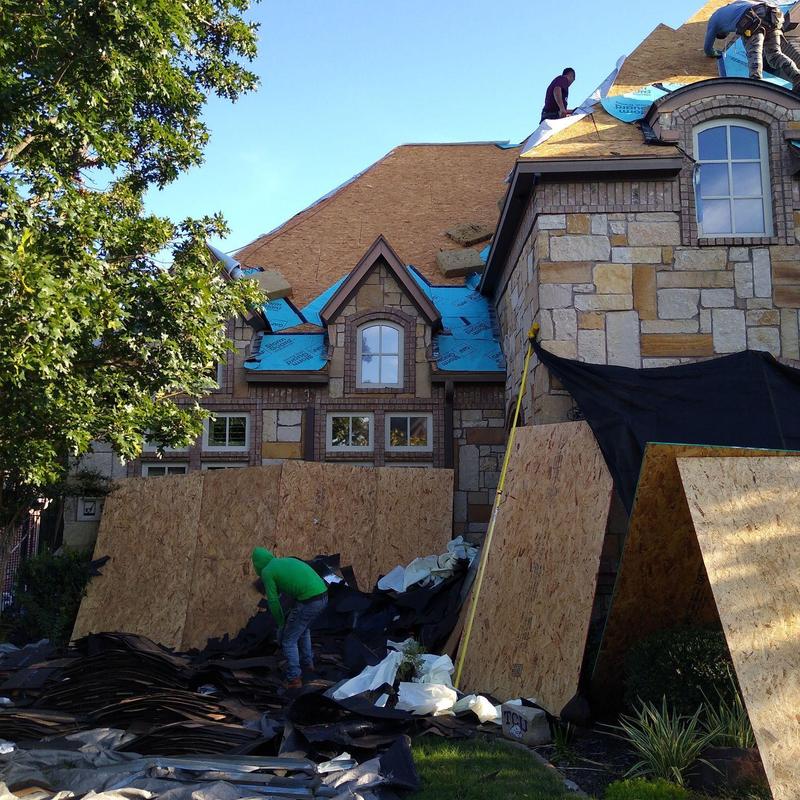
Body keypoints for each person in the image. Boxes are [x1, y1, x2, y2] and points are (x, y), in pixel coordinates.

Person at [251, 547, 328, 689]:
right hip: (322, 595)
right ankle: (308, 666)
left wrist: (281, 624)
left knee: (288, 640)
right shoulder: (285, 561)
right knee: (303, 629)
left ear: (257, 564)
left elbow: (273, 602)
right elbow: (293, 587)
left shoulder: (267, 571)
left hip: (309, 600)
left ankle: (294, 679)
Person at [704, 1, 800, 90]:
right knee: (774, 55)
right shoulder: (736, 5)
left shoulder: (714, 18)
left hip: (752, 17)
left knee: (754, 51)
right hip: (773, 13)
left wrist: (712, 53)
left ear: (720, 32)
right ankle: (797, 77)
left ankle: (756, 81)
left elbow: (708, 46)